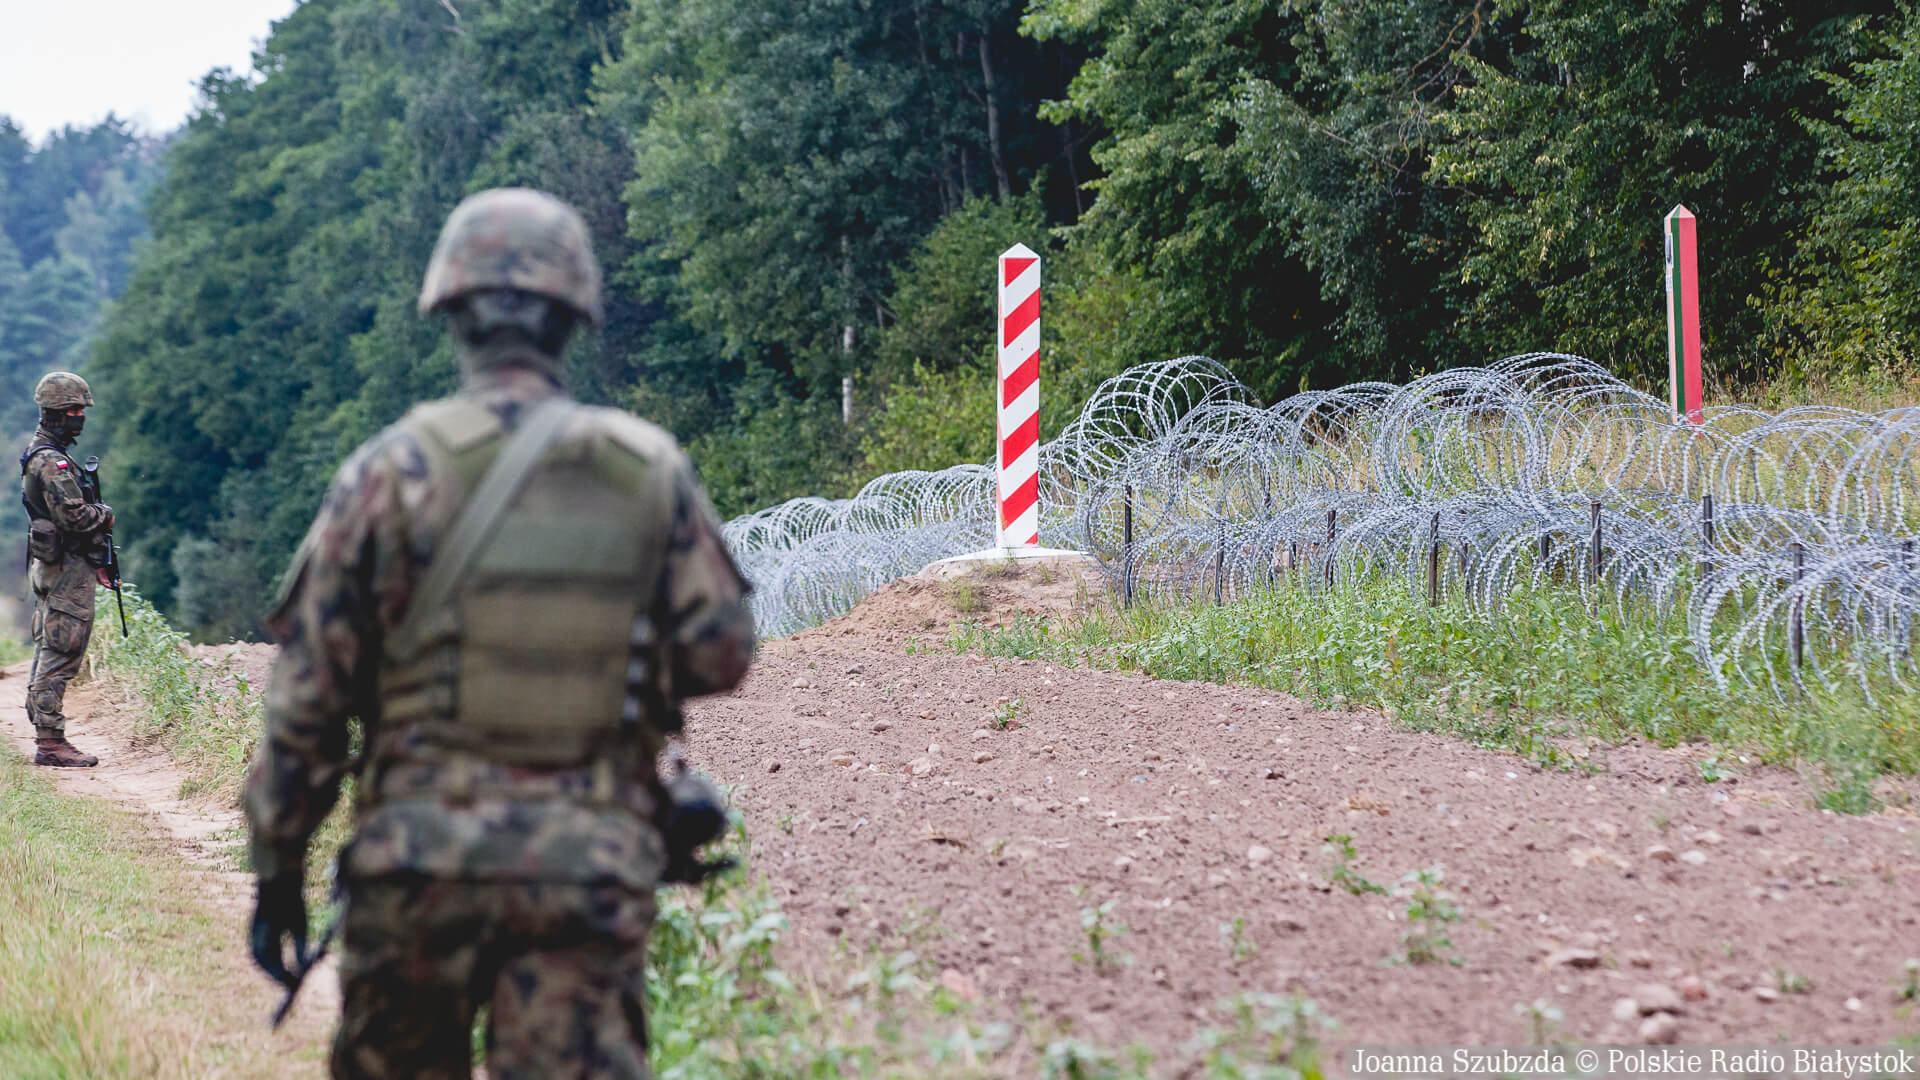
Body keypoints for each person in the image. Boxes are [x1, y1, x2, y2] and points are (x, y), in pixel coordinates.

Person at [243, 187, 754, 1079]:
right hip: (584, 870)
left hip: (416, 869)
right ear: (574, 315)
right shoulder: (645, 470)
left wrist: (279, 868)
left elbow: (307, 703)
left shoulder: (388, 472)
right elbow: (722, 651)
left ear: (450, 310)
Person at [20, 371, 114, 768]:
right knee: (62, 648)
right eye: (72, 410)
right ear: (54, 413)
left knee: (52, 644)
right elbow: (74, 518)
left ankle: (46, 728)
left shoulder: (45, 453)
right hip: (64, 569)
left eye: (81, 410)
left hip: (56, 565)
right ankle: (51, 742)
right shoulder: (52, 462)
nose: (79, 417)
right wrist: (106, 515)